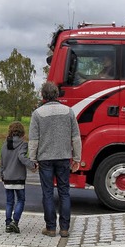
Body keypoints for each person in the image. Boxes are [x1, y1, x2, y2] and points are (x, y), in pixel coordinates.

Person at [28, 82, 82, 238]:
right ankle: (64, 229)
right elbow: (75, 137)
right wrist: (77, 158)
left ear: (43, 95)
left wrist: (32, 159)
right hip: (64, 157)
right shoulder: (69, 112)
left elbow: (34, 140)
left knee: (48, 193)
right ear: (57, 94)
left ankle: (51, 228)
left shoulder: (37, 114)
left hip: (45, 159)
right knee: (64, 192)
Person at [0, 121, 37, 234]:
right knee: (21, 200)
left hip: (7, 177)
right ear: (22, 133)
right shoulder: (23, 144)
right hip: (18, 178)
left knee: (9, 202)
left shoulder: (4, 144)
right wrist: (32, 165)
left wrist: (2, 175)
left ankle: (7, 224)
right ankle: (15, 222)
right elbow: (21, 157)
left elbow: (2, 162)